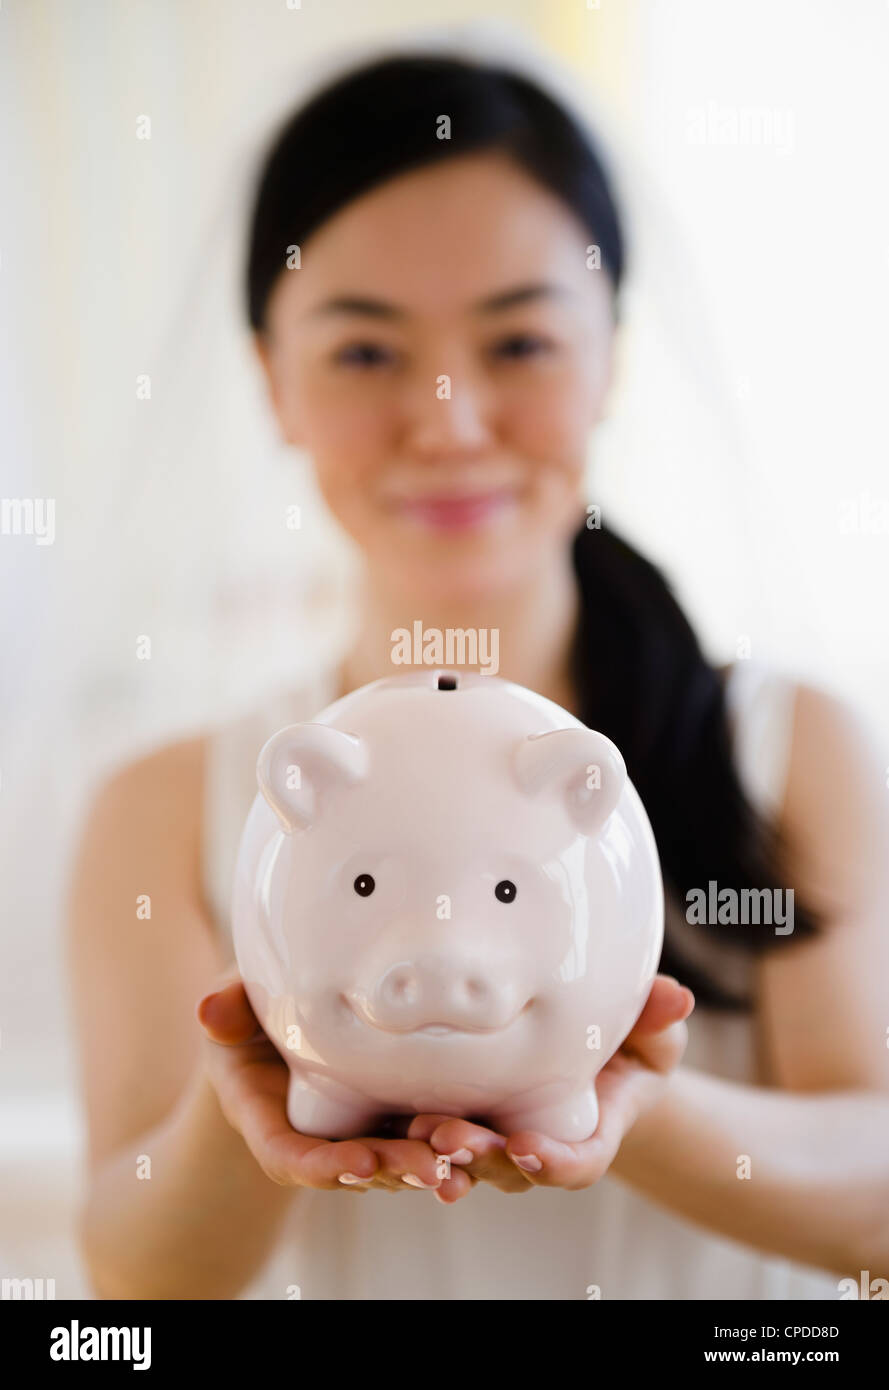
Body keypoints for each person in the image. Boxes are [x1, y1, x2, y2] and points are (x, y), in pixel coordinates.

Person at [68, 50, 889, 1301]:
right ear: (272, 382)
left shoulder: (785, 741)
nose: (449, 421)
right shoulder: (167, 803)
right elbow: (138, 1271)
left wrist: (610, 1094)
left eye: (518, 340)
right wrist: (248, 1110)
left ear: (608, 357)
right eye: (363, 353)